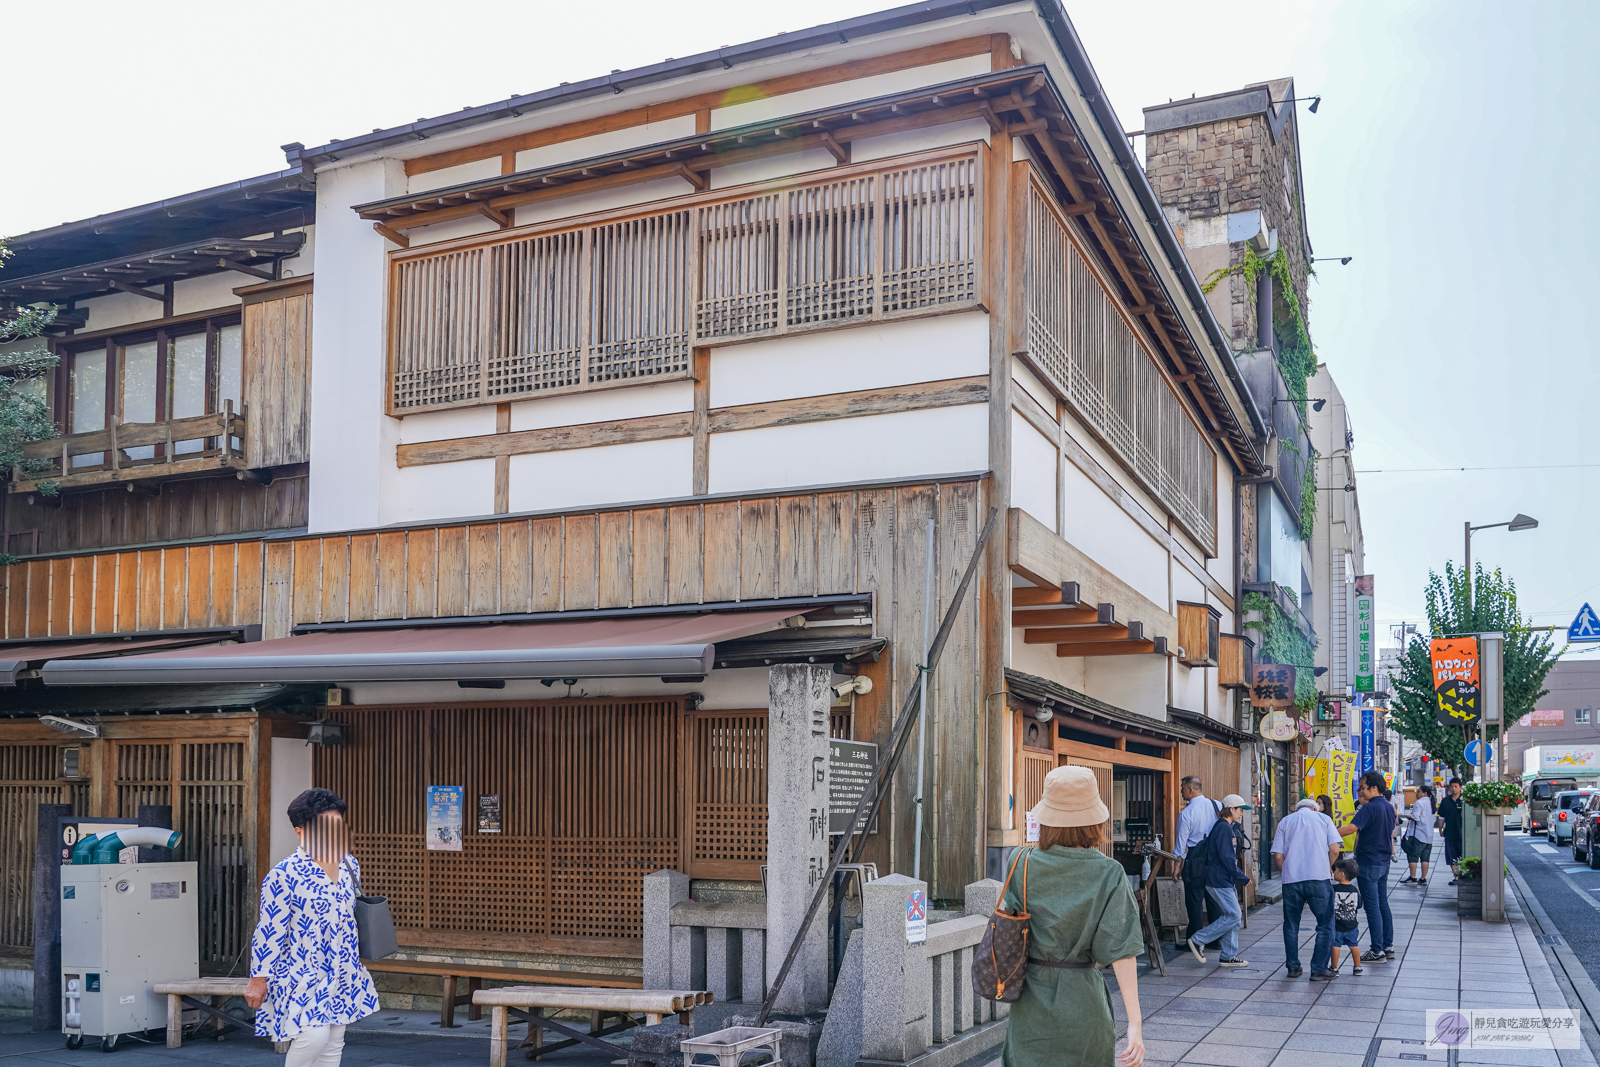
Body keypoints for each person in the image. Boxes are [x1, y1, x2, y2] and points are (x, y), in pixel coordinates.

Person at [1001, 766, 1146, 1067]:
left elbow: (1008, 926)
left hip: (1030, 1003)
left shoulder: (1020, 862)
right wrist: (1135, 1023)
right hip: (1084, 1002)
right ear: (1094, 820)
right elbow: (1121, 951)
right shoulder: (1110, 873)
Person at [246, 788, 379, 1067]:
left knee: (333, 1042)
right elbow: (269, 930)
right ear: (300, 831)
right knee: (314, 1036)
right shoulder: (283, 875)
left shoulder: (348, 865)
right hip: (300, 971)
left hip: (342, 968)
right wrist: (259, 979)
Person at [1271, 797, 1343, 980]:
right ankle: (1318, 969)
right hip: (1319, 878)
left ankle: (1293, 968)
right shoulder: (1324, 819)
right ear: (1315, 808)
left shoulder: (1286, 821)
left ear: (1298, 809)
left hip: (1292, 880)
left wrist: (1286, 871)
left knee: (1291, 925)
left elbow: (1278, 855)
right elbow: (1335, 849)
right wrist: (1328, 866)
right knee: (1325, 925)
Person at [1186, 794, 1255, 968]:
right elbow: (1226, 858)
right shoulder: (1224, 828)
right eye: (1240, 810)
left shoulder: (1223, 827)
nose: (1241, 813)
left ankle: (1228, 956)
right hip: (1219, 880)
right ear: (1231, 809)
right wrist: (1241, 876)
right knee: (1234, 914)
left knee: (1230, 916)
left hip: (1222, 879)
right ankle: (1198, 939)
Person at [1339, 771, 1397, 963]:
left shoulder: (1369, 808)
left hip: (1368, 861)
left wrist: (1328, 832)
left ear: (1373, 788)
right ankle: (1388, 946)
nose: (1361, 792)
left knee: (1372, 908)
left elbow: (1351, 829)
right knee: (1383, 904)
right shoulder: (1389, 807)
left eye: (1363, 788)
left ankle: (1376, 950)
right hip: (1383, 861)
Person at [1173, 776, 1220, 946]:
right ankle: (1215, 940)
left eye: (1182, 788)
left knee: (1194, 901)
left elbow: (1181, 845)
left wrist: (1177, 867)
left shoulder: (1186, 813)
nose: (1181, 792)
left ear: (1190, 790)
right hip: (1215, 859)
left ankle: (1194, 941)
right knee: (1213, 899)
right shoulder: (1217, 806)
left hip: (1195, 858)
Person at [1328, 857, 1363, 975]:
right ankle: (1357, 967)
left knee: (1335, 946)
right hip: (1352, 924)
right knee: (1354, 945)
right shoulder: (1354, 890)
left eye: (1335, 870)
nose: (1333, 872)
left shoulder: (1334, 889)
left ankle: (1334, 968)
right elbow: (1358, 906)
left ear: (1341, 874)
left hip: (1337, 924)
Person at [1401, 785, 1436, 885]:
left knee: (1413, 855)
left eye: (1419, 791)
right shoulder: (1431, 802)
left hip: (1418, 834)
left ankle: (1413, 876)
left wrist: (1409, 816)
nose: (1417, 793)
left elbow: (1415, 817)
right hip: (1429, 835)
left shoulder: (1419, 803)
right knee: (1425, 857)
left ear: (1424, 793)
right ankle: (1423, 877)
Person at [1439, 779, 1465, 883]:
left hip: (1464, 834)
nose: (1453, 789)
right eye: (1452, 787)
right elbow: (1441, 817)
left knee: (1463, 856)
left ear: (1460, 787)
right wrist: (1440, 828)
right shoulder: (1445, 801)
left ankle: (1463, 875)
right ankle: (1456, 877)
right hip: (1450, 833)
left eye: (1456, 787)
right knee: (1451, 856)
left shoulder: (1465, 800)